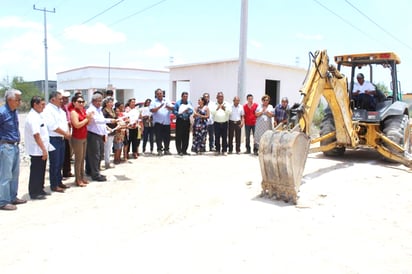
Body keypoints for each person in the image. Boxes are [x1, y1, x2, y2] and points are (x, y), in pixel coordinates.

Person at [0, 88, 26, 210]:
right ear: (10, 100)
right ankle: (3, 201)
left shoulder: (14, 111)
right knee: (5, 175)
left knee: (14, 174)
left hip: (15, 146)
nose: (19, 102)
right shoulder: (2, 113)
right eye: (17, 100)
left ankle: (12, 197)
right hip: (6, 146)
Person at [43, 91, 71, 193]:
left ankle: (59, 182)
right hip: (54, 139)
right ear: (52, 99)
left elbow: (65, 123)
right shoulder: (48, 110)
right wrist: (65, 134)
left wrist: (67, 133)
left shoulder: (61, 111)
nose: (62, 100)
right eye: (60, 99)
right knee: (55, 162)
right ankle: (54, 184)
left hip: (62, 138)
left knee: (60, 162)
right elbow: (52, 126)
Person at [24, 96, 52, 200]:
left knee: (41, 170)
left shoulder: (38, 115)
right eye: (42, 105)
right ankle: (34, 192)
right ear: (35, 105)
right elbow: (36, 135)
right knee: (36, 171)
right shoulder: (32, 117)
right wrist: (44, 149)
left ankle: (40, 189)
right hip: (37, 150)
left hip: (41, 149)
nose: (43, 107)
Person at [86, 92, 117, 182]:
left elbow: (102, 124)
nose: (99, 103)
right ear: (93, 101)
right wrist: (110, 120)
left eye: (100, 101)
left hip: (99, 134)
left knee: (99, 154)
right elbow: (97, 121)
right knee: (95, 155)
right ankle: (95, 174)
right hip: (93, 134)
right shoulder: (91, 110)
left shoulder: (99, 110)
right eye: (98, 101)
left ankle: (93, 171)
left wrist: (105, 134)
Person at [70, 95, 92, 187]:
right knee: (78, 160)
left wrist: (89, 118)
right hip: (77, 138)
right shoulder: (74, 112)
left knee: (82, 159)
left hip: (83, 137)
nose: (81, 103)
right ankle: (78, 179)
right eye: (79, 102)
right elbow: (76, 125)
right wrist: (87, 119)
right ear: (74, 102)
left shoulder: (82, 111)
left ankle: (82, 177)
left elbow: (87, 124)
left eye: (83, 102)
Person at [150, 88, 174, 156]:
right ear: (156, 95)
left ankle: (166, 150)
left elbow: (173, 108)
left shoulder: (167, 100)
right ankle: (159, 150)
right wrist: (159, 107)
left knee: (167, 137)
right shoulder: (153, 102)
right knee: (158, 137)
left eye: (160, 93)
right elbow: (152, 110)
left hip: (166, 122)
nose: (159, 95)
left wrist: (168, 106)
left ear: (163, 94)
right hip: (158, 123)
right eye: (158, 94)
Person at [209, 92, 232, 156]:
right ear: (217, 98)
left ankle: (224, 150)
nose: (220, 98)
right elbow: (212, 112)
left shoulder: (227, 104)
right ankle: (217, 150)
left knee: (224, 137)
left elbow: (230, 112)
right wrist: (217, 108)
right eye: (219, 97)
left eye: (222, 97)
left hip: (224, 123)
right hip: (216, 123)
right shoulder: (214, 104)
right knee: (217, 137)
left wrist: (224, 109)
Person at [173, 91, 194, 156]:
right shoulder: (178, 103)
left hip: (187, 120)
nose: (185, 98)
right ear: (182, 97)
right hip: (180, 120)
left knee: (186, 136)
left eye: (186, 96)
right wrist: (180, 113)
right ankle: (179, 151)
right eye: (184, 96)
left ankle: (184, 150)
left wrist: (188, 112)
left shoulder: (189, 103)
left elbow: (191, 110)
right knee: (179, 136)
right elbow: (174, 111)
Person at [61, 91, 74, 179]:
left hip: (68, 132)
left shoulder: (66, 108)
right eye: (64, 98)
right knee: (62, 154)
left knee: (67, 153)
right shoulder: (59, 109)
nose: (66, 100)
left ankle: (67, 171)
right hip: (61, 133)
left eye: (67, 98)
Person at [102, 96, 116, 168]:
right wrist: (108, 128)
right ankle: (107, 163)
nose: (111, 103)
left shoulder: (112, 110)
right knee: (107, 148)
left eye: (112, 102)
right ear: (106, 103)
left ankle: (108, 161)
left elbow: (115, 119)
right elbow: (102, 121)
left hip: (113, 131)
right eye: (110, 102)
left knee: (109, 147)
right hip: (107, 131)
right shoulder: (104, 111)